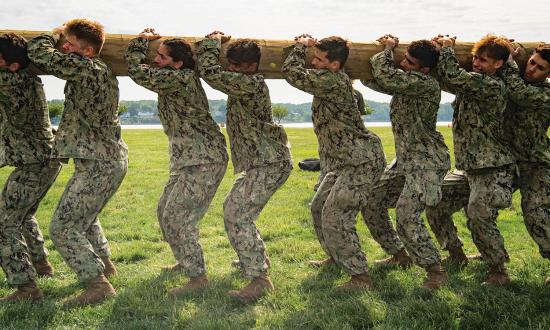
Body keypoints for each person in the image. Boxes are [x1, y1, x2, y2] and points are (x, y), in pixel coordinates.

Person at [28, 18, 129, 307]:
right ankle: (106, 266)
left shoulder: (84, 67)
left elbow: (38, 52)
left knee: (63, 227)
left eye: (69, 45)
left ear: (86, 51)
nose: (64, 48)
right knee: (85, 218)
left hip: (100, 163)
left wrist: (51, 34)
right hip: (107, 160)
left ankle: (97, 284)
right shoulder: (98, 69)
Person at [126, 28, 228, 295]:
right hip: (187, 159)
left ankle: (198, 279)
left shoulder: (179, 78)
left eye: (161, 56)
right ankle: (186, 263)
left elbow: (138, 72)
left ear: (178, 64)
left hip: (205, 158)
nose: (155, 60)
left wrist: (139, 44)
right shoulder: (173, 76)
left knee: (177, 217)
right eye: (155, 55)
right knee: (164, 211)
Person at [283, 34, 386, 290]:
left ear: (335, 65)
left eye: (318, 59)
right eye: (312, 58)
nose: (313, 63)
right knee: (318, 207)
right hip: (343, 162)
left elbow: (291, 73)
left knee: (336, 214)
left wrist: (298, 48)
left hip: (361, 161)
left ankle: (360, 277)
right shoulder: (327, 80)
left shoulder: (332, 81)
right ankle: (336, 257)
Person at [197, 31, 292, 302]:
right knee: (236, 210)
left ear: (251, 67)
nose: (230, 69)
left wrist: (211, 45)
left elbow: (210, 73)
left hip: (269, 163)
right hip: (260, 163)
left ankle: (260, 279)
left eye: (236, 66)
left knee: (236, 213)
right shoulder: (242, 80)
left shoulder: (250, 84)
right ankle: (255, 261)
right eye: (230, 64)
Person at [361, 35, 451, 289]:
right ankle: (400, 255)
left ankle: (435, 270)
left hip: (427, 161)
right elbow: (376, 80)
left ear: (424, 70)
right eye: (403, 57)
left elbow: (386, 76)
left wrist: (387, 49)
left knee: (407, 214)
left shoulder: (426, 85)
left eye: (409, 62)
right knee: (372, 200)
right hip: (406, 160)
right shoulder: (406, 82)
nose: (402, 63)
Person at [433, 34, 515, 285]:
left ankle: (498, 270)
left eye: (483, 60)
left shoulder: (492, 86)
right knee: (435, 200)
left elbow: (452, 75)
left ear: (498, 65)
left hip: (492, 168)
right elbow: (449, 79)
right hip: (470, 168)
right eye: (475, 58)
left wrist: (447, 49)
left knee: (479, 213)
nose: (477, 63)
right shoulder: (474, 83)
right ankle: (456, 253)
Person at [0, 32, 61, 302]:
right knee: (23, 216)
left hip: (34, 164)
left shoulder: (7, 82)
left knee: (4, 222)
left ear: (12, 66)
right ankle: (41, 266)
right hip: (46, 160)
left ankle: (26, 288)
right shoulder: (27, 78)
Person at [499, 43, 550, 285]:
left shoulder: (545, 94)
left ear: (548, 74)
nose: (532, 70)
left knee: (536, 215)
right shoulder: (510, 78)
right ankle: (493, 258)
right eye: (531, 62)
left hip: (535, 164)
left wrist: (509, 60)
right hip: (506, 160)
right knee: (481, 203)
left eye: (540, 68)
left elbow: (519, 92)